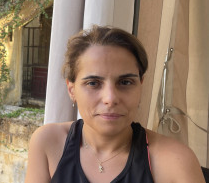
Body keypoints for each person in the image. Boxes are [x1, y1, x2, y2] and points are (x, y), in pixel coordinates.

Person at [24, 25, 205, 183]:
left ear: (140, 86)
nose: (110, 98)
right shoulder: (49, 143)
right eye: (93, 83)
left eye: (125, 82)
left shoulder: (174, 161)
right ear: (72, 90)